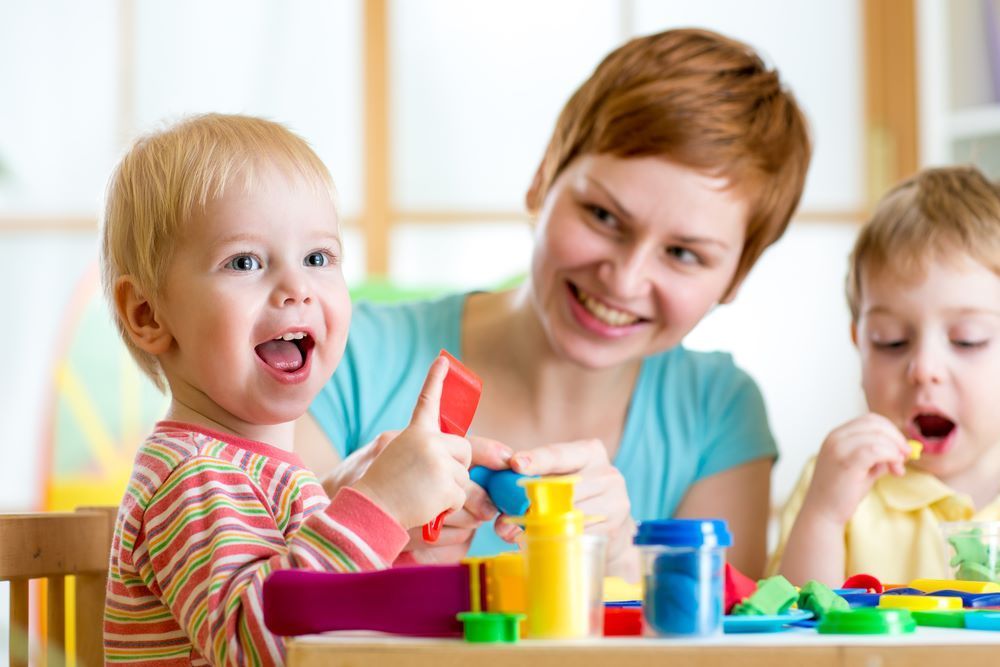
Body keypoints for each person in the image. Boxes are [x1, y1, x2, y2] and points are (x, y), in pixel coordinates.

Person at [297, 27, 811, 581]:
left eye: (684, 253)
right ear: (543, 179)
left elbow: (725, 645)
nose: (625, 278)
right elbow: (251, 609)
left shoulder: (718, 411)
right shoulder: (344, 352)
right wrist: (349, 510)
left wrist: (622, 564)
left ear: (737, 276)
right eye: (604, 217)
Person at [100, 113, 487, 665]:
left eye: (317, 258)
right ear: (149, 314)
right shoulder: (192, 476)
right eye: (245, 261)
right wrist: (378, 506)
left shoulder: (268, 473)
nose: (297, 288)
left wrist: (403, 540)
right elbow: (258, 640)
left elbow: (333, 612)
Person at [774, 166, 1000, 586]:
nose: (924, 370)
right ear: (858, 343)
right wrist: (823, 517)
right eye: (891, 341)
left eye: (968, 340)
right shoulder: (835, 483)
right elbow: (789, 634)